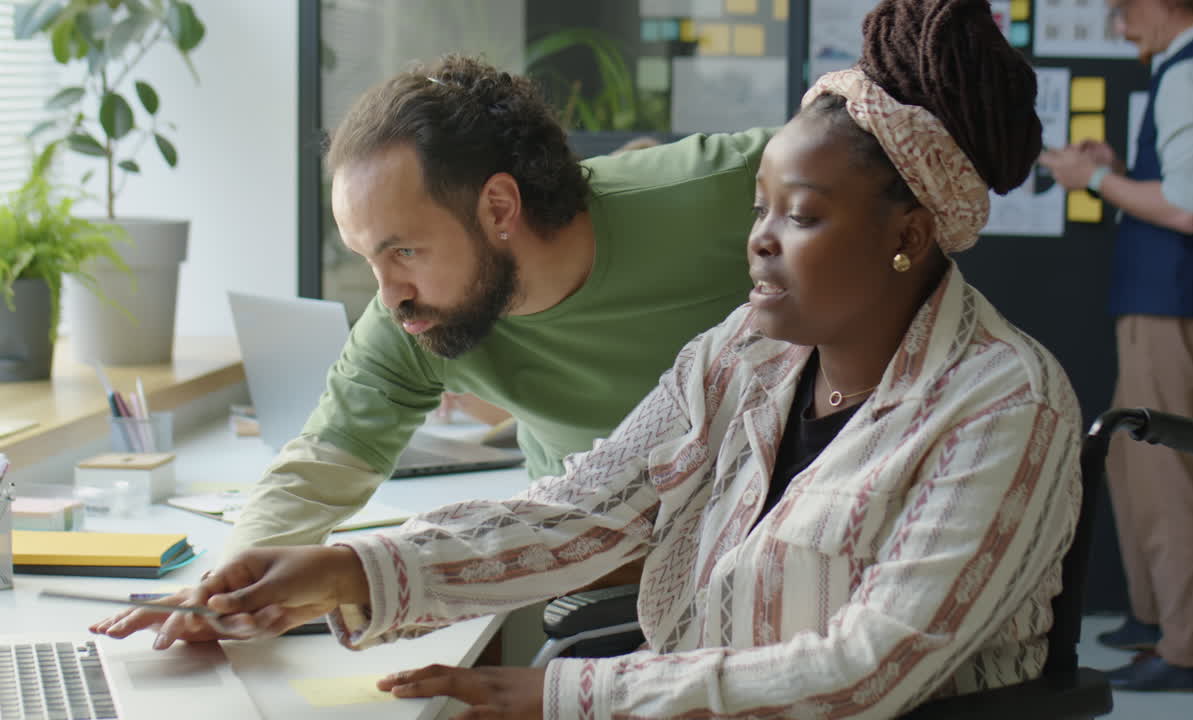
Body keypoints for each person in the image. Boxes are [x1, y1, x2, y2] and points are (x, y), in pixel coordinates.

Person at [95, 1, 1083, 716]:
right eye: (760, 210)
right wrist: (349, 566)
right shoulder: (744, 351)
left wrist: (559, 695)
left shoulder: (1002, 405)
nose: (758, 240)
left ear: (907, 233)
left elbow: (864, 668)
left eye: (801, 215)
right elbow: (583, 508)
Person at [231, 55, 768, 557]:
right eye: (368, 258)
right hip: (596, 566)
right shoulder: (413, 317)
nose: (389, 293)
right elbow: (320, 467)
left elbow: (847, 145)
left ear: (498, 207)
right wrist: (226, 586)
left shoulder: (721, 192)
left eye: (405, 251)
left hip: (769, 548)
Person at [1039, 0, 1193, 693]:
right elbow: (1181, 185)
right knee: (1131, 460)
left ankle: (1181, 650)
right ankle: (1151, 618)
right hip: (1170, 298)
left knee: (1163, 473)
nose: (1119, 24)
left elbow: (1186, 209)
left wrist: (1094, 180)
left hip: (1175, 302)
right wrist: (1116, 166)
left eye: (1125, 9)